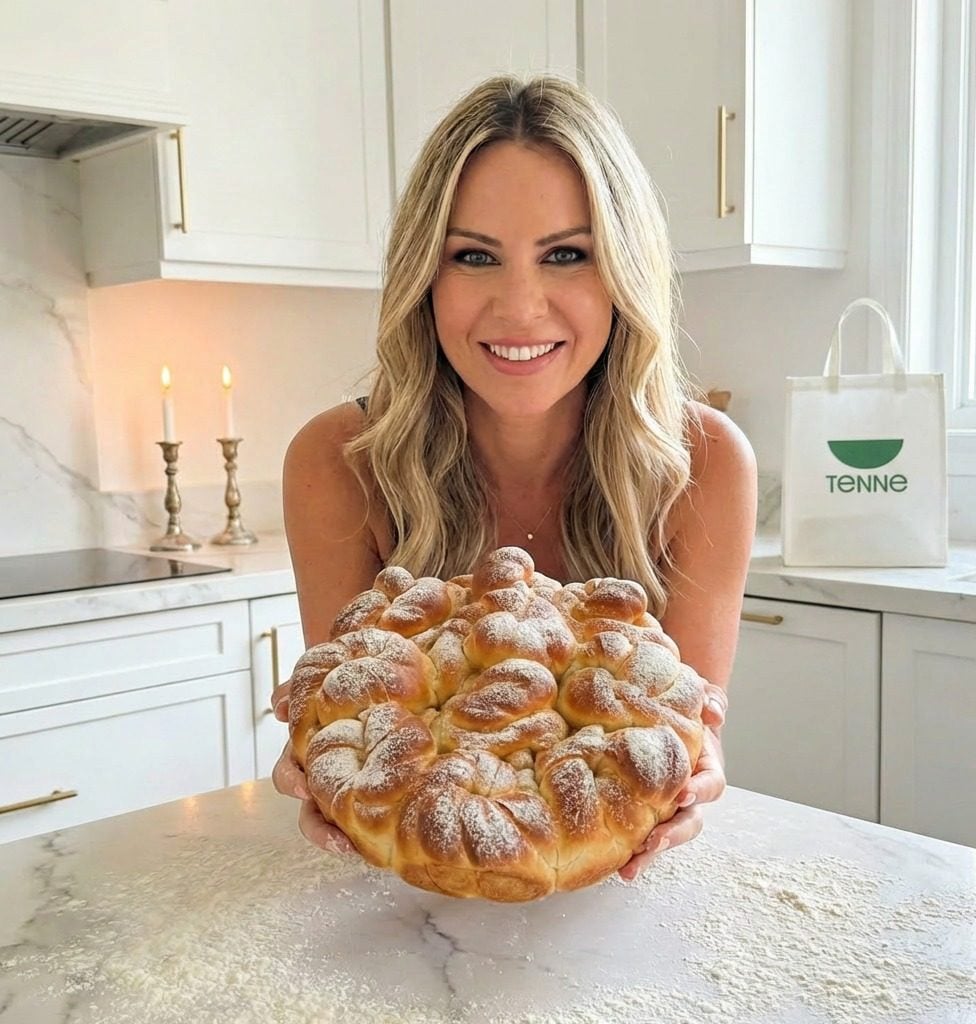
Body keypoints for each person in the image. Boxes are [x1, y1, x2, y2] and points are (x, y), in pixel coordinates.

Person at [272, 74, 757, 882]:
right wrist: (316, 758)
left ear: (624, 271)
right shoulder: (337, 460)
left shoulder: (704, 461)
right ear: (424, 276)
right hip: (400, 897)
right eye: (474, 256)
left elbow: (687, 728)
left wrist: (700, 771)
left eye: (567, 254)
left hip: (628, 896)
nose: (521, 308)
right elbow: (353, 716)